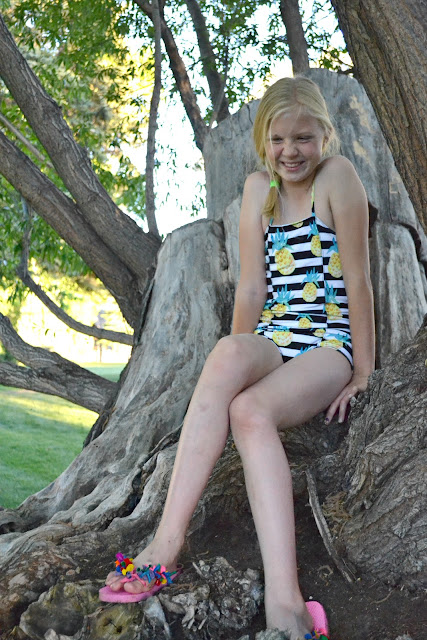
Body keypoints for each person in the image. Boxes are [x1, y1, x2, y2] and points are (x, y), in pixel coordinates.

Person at [100, 76, 375, 639]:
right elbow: (251, 288)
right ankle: (165, 544)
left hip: (328, 344)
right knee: (226, 354)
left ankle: (286, 601)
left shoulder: (336, 178)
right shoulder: (257, 190)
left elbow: (359, 280)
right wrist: (236, 362)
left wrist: (364, 369)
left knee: (250, 413)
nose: (290, 151)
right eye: (278, 139)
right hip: (275, 335)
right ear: (262, 141)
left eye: (303, 138)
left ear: (324, 136)